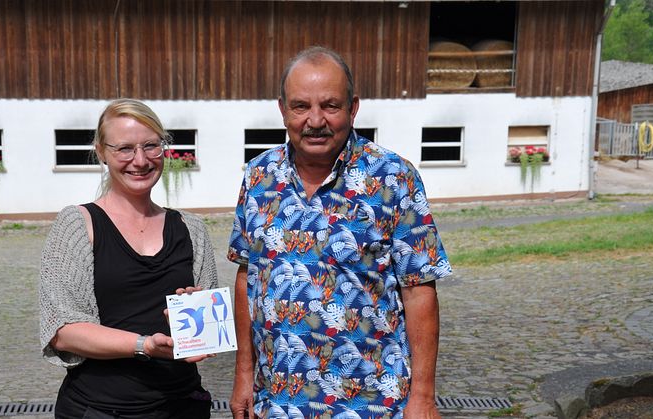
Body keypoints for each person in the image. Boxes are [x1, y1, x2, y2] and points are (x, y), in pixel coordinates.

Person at [227, 47, 452, 418]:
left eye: (330, 105)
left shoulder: (393, 178)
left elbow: (419, 291)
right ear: (282, 110)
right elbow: (246, 277)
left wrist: (424, 396)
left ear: (353, 108)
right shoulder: (257, 177)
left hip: (372, 402)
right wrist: (243, 374)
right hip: (279, 401)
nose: (316, 120)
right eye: (301, 107)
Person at [39, 98, 218, 419]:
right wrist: (145, 344)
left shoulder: (191, 228)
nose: (140, 160)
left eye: (151, 146)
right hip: (101, 409)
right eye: (124, 148)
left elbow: (206, 340)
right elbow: (63, 330)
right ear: (102, 152)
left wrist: (195, 320)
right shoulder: (78, 224)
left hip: (183, 405)